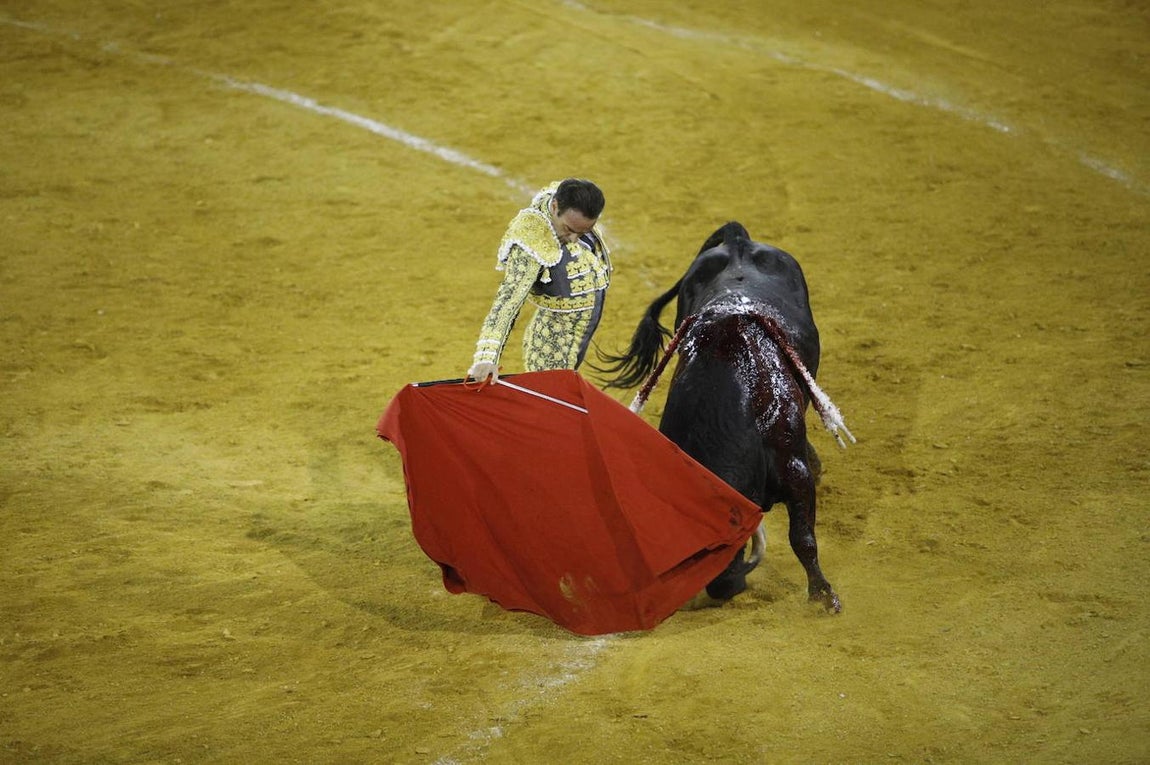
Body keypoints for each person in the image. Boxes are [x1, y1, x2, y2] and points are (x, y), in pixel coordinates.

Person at [466, 178, 611, 383]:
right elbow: (508, 301)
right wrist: (486, 357)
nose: (574, 240)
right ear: (554, 207)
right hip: (553, 343)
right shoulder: (530, 240)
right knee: (552, 400)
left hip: (583, 327)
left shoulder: (567, 201)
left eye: (583, 232)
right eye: (569, 229)